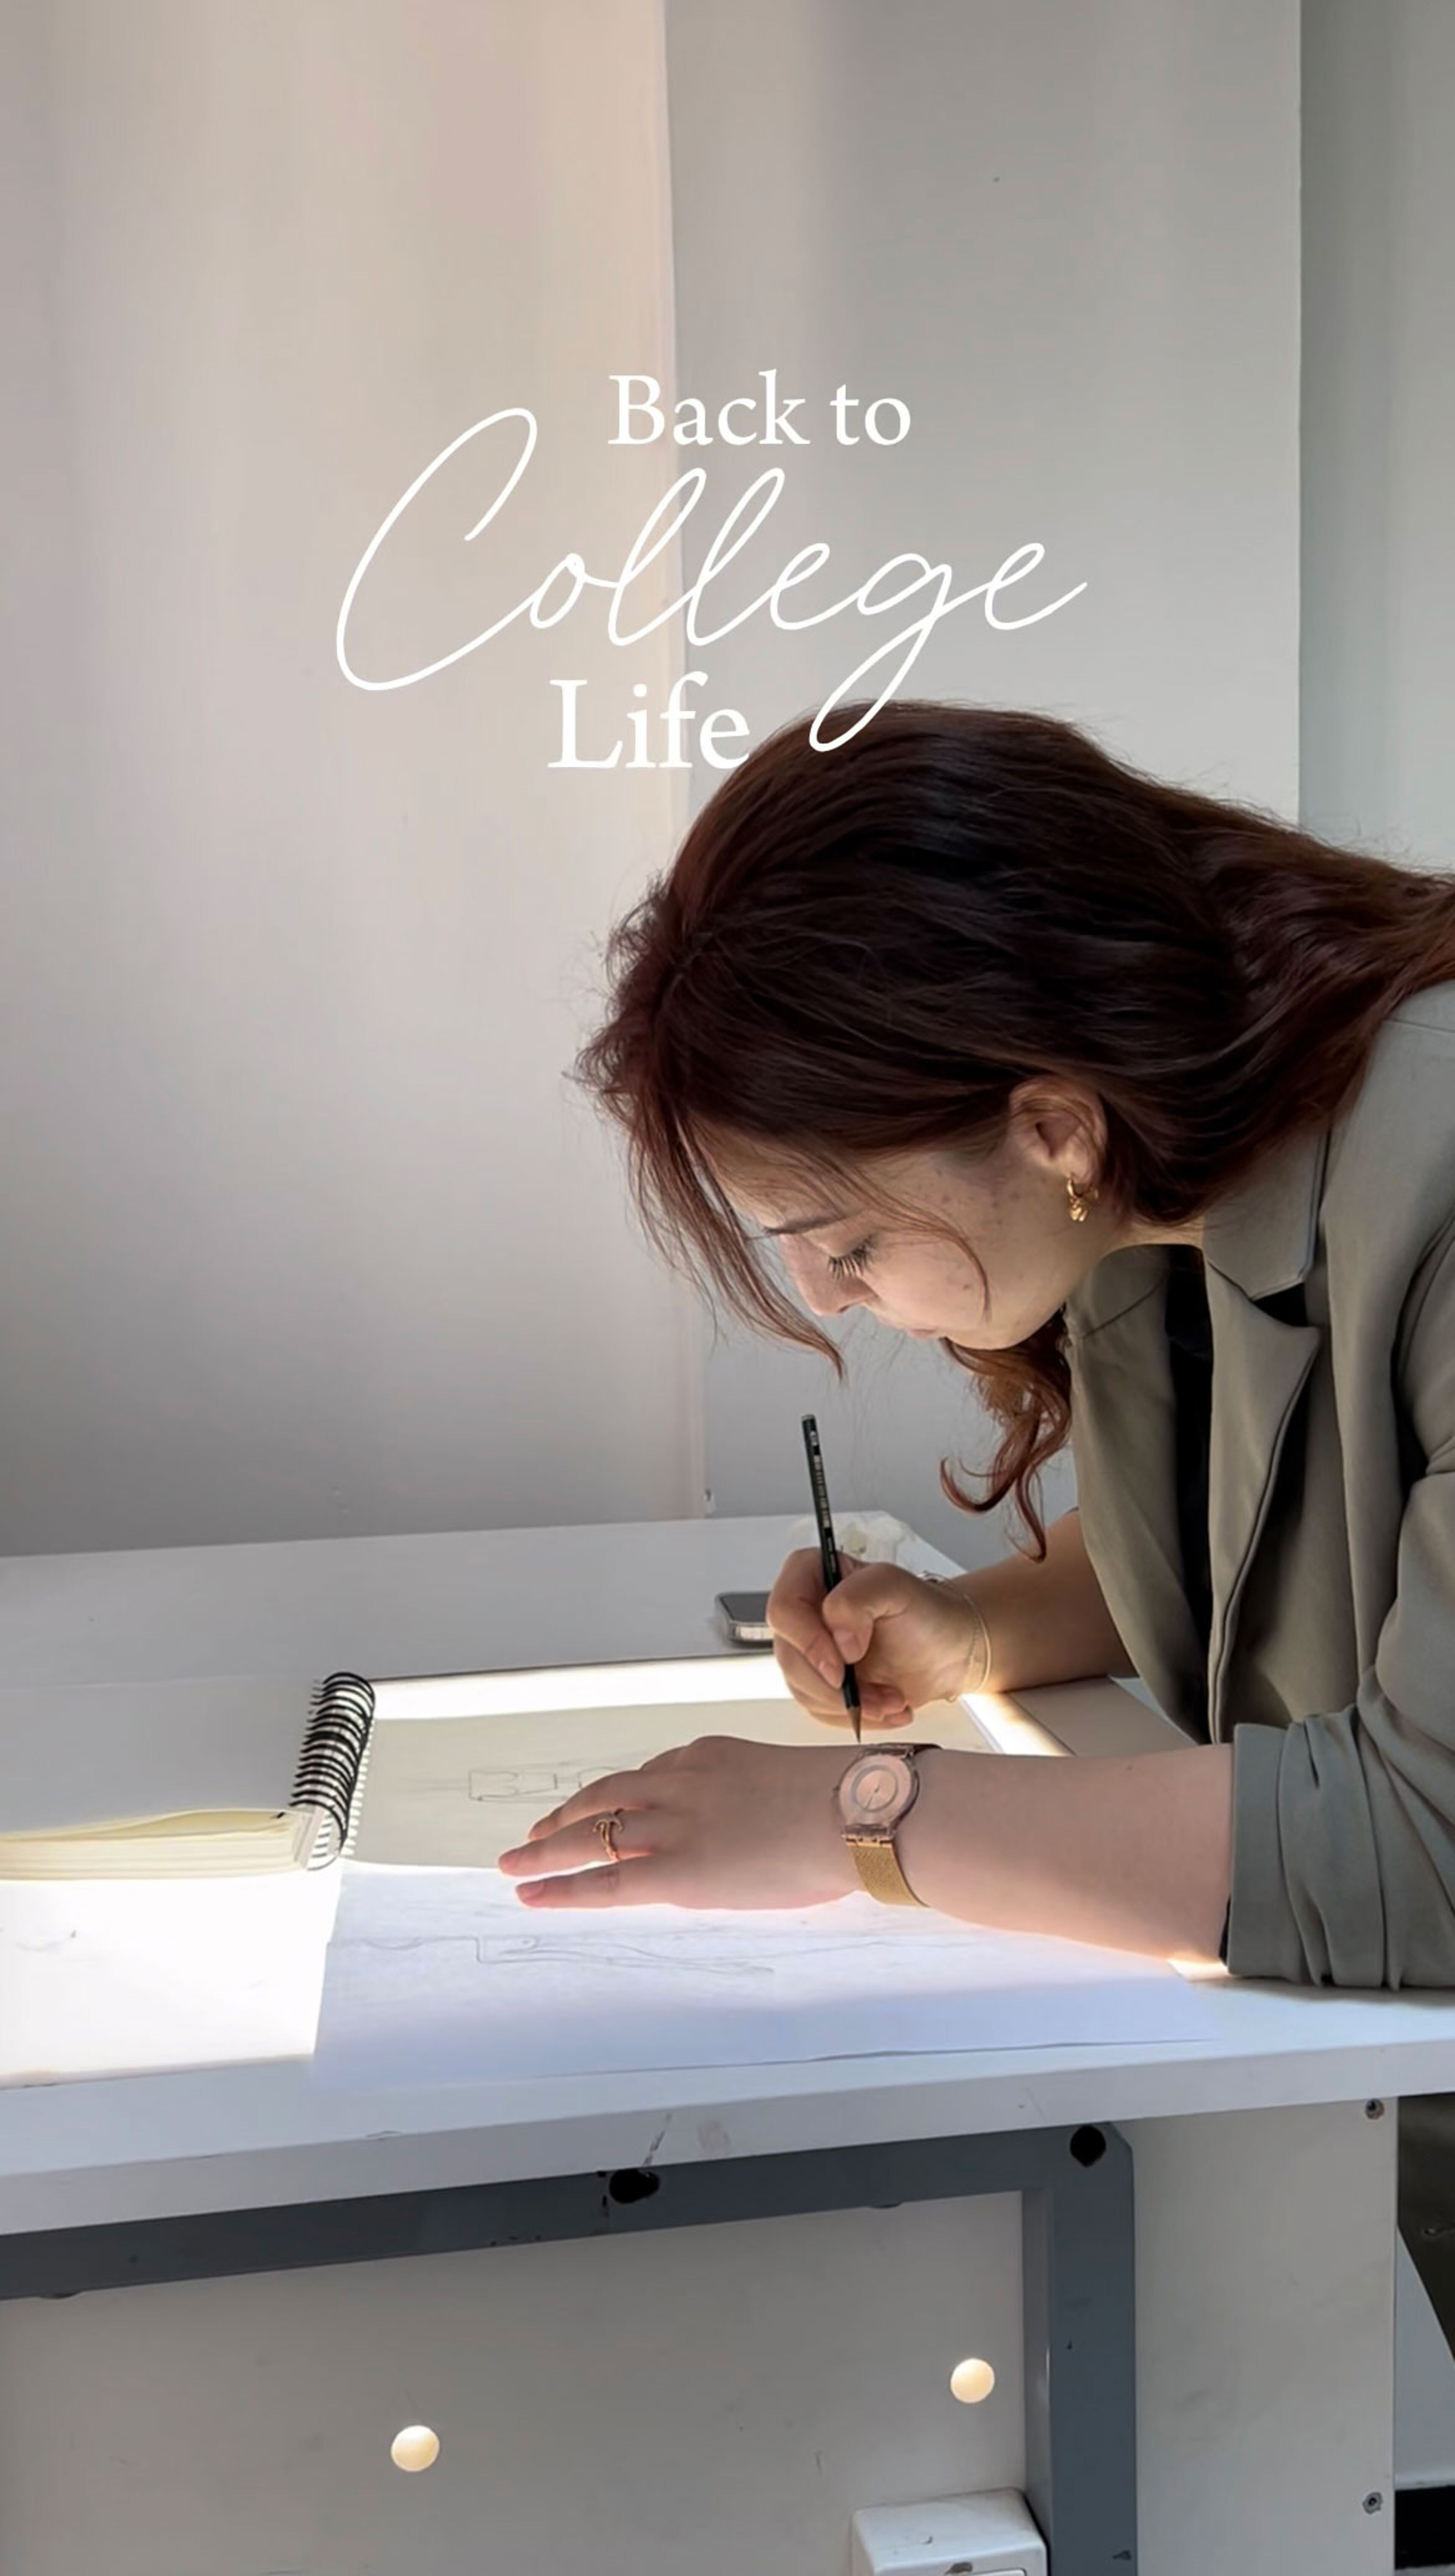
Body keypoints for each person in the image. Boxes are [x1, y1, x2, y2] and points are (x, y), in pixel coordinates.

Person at [494, 696, 1455, 2351]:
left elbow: (1431, 1850)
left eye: (844, 1241)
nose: (826, 1297)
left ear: (1050, 1126)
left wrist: (863, 1820)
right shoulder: (1165, 1161)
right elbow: (1303, 1532)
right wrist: (978, 1627)